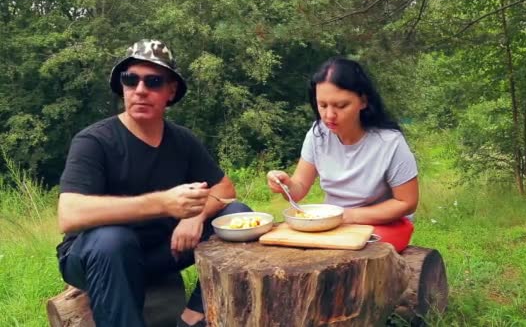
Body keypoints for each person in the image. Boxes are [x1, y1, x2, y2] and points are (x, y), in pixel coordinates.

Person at [55, 39, 250, 327]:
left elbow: (225, 190)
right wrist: (163, 203)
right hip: (95, 255)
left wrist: (196, 214)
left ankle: (194, 316)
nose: (140, 90)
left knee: (238, 215)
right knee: (113, 239)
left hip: (161, 251)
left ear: (170, 91)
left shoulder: (182, 140)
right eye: (130, 80)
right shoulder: (94, 140)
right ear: (121, 86)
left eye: (154, 81)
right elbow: (70, 215)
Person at [267, 57, 418, 252]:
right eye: (322, 105)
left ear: (363, 101)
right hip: (332, 225)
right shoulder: (317, 134)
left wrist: (348, 216)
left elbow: (407, 202)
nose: (329, 115)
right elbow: (299, 188)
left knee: (347, 253)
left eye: (341, 106)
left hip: (380, 226)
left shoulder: (390, 143)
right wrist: (284, 184)